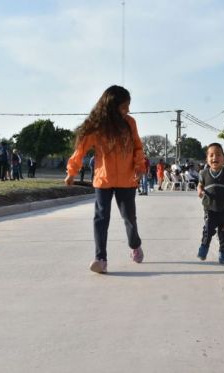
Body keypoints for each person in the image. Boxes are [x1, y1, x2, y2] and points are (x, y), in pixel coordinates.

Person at [64, 85, 146, 274]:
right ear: (112, 106)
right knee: (101, 219)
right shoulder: (97, 126)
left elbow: (137, 147)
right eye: (124, 106)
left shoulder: (129, 123)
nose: (128, 110)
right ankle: (101, 259)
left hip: (127, 180)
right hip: (103, 180)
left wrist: (139, 167)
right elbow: (81, 150)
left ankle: (135, 244)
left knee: (129, 218)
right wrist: (71, 172)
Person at [197, 143, 224, 264]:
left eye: (218, 155)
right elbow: (200, 185)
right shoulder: (203, 173)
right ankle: (204, 247)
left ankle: (223, 251)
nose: (214, 157)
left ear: (223, 158)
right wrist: (199, 190)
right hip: (209, 209)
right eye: (211, 155)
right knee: (208, 230)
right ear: (207, 159)